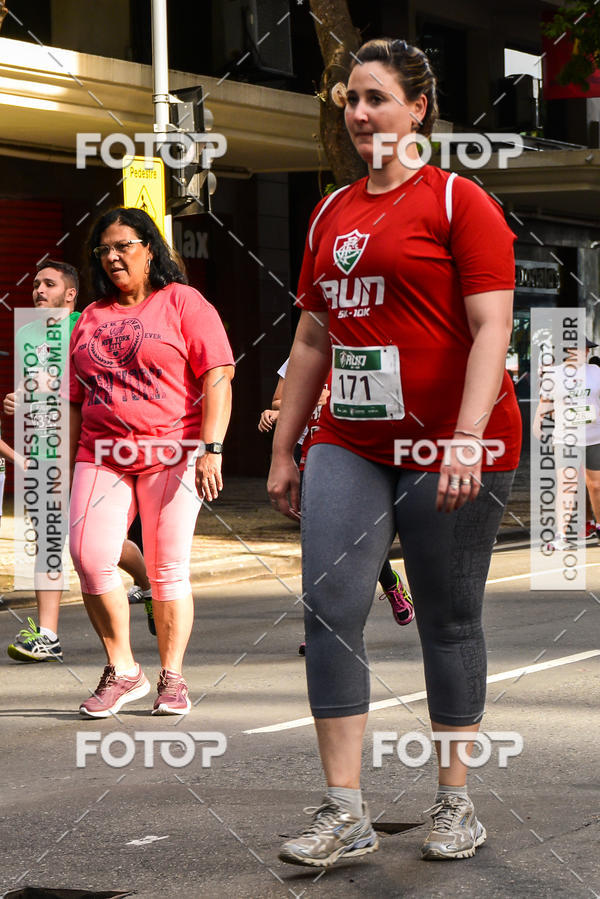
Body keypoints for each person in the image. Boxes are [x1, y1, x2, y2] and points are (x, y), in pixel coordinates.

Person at [268, 37, 520, 867]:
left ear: (418, 108)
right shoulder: (330, 211)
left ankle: (456, 803)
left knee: (448, 620)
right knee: (329, 611)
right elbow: (312, 336)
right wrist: (288, 444)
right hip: (354, 438)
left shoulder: (457, 202)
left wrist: (465, 436)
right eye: (350, 98)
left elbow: (491, 328)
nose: (359, 113)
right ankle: (346, 811)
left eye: (376, 97)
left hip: (454, 440)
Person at [66, 207, 234, 718]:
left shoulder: (182, 301)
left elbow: (218, 376)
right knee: (88, 554)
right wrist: (65, 467)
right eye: (104, 250)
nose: (113, 257)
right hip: (101, 451)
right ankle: (123, 670)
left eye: (124, 246)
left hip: (173, 450)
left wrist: (212, 448)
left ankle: (172, 677)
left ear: (149, 249)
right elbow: (75, 398)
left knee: (166, 568)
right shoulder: (91, 317)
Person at [3, 261, 151, 662]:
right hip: (44, 448)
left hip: (87, 446)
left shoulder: (86, 326)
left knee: (99, 543)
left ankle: (147, 580)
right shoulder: (28, 332)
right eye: (35, 283)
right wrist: (17, 399)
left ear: (70, 295)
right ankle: (47, 634)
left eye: (49, 284)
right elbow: (29, 384)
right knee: (49, 540)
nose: (37, 289)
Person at [260, 358, 414, 653]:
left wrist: (334, 398)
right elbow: (281, 401)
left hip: (352, 456)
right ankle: (320, 631)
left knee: (357, 542)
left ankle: (390, 583)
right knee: (319, 549)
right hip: (313, 456)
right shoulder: (300, 357)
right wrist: (279, 411)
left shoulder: (362, 352)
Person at [533, 337, 600, 547]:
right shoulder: (553, 374)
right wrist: (537, 422)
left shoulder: (597, 373)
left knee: (596, 485)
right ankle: (561, 535)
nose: (584, 353)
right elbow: (544, 402)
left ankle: (598, 526)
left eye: (587, 350)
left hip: (595, 437)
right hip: (565, 438)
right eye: (579, 349)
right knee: (566, 485)